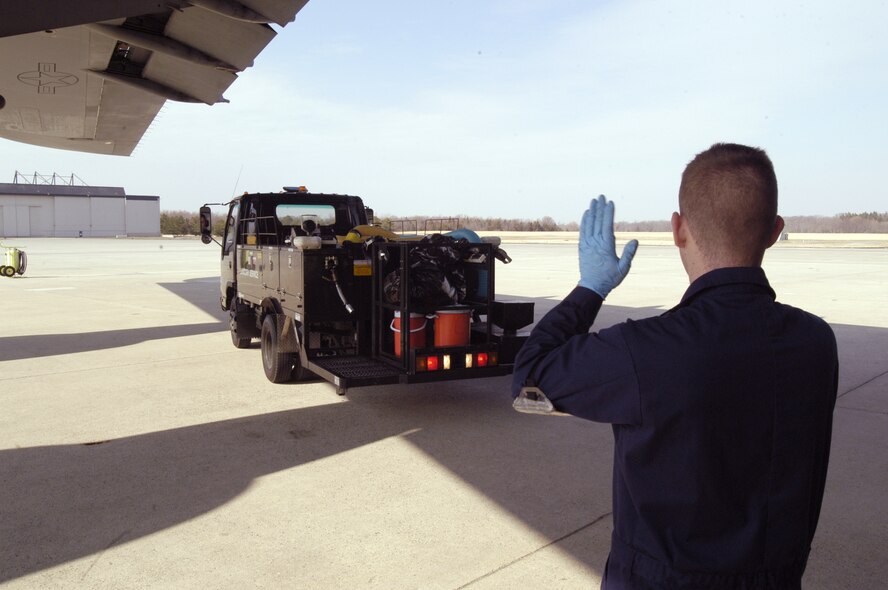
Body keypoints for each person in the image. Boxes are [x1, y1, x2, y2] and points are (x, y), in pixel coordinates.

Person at [512, 143, 838, 589]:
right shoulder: (816, 342)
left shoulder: (646, 350)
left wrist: (590, 288)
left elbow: (530, 375)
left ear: (678, 230)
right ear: (774, 230)